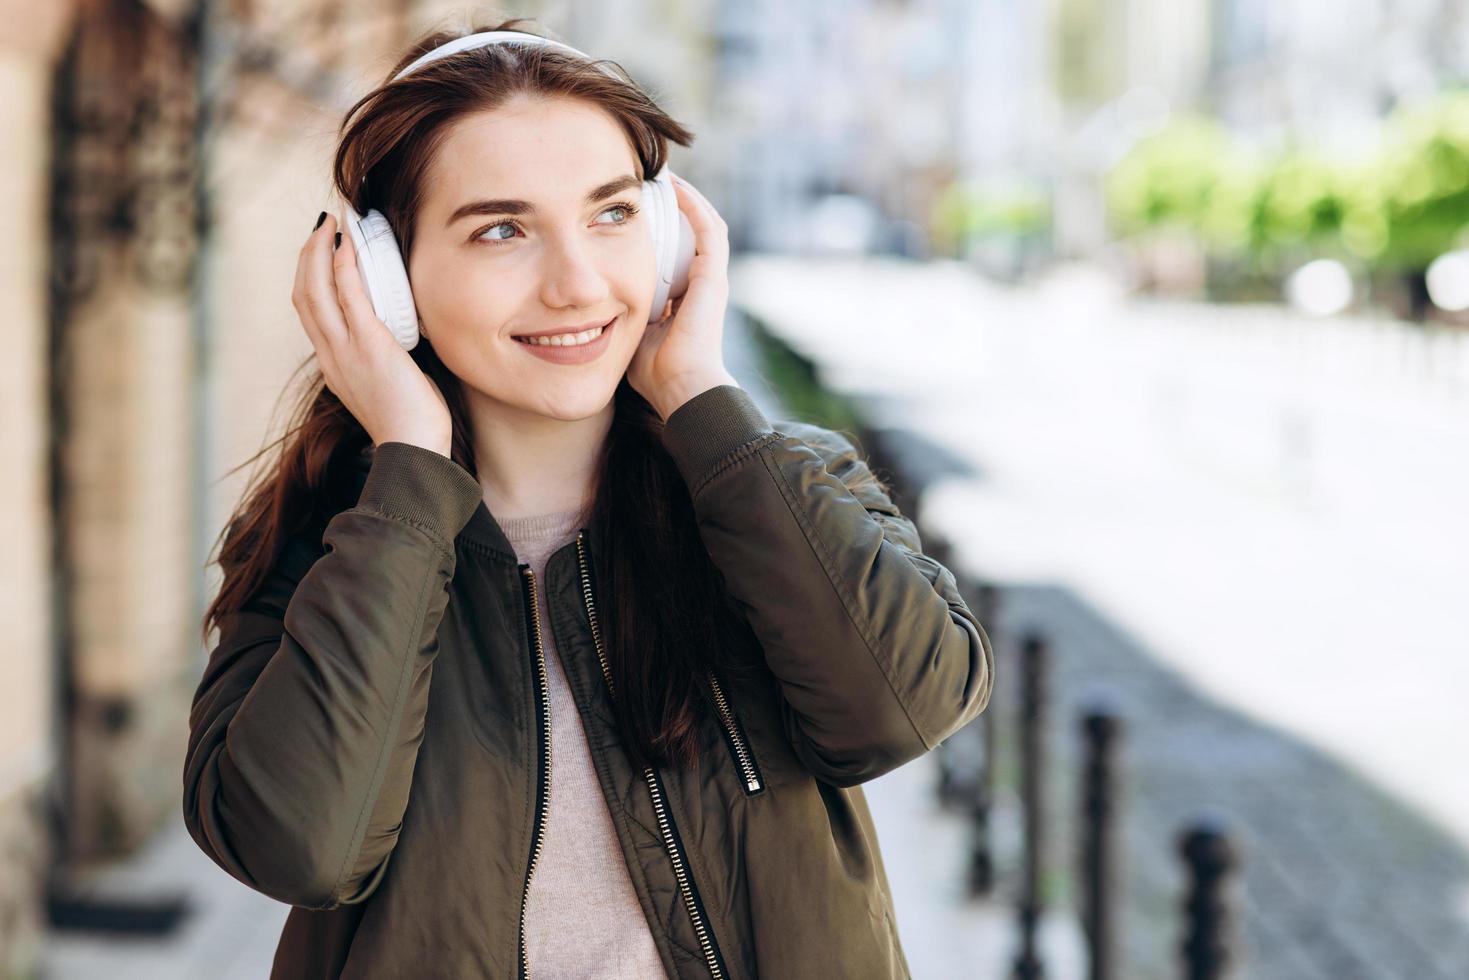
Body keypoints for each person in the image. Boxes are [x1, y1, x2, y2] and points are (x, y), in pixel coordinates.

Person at [181, 17, 994, 980]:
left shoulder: (771, 483)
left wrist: (702, 403)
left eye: (610, 215)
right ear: (385, 280)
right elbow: (300, 848)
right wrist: (408, 471)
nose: (576, 284)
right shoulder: (330, 544)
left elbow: (902, 711)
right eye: (501, 229)